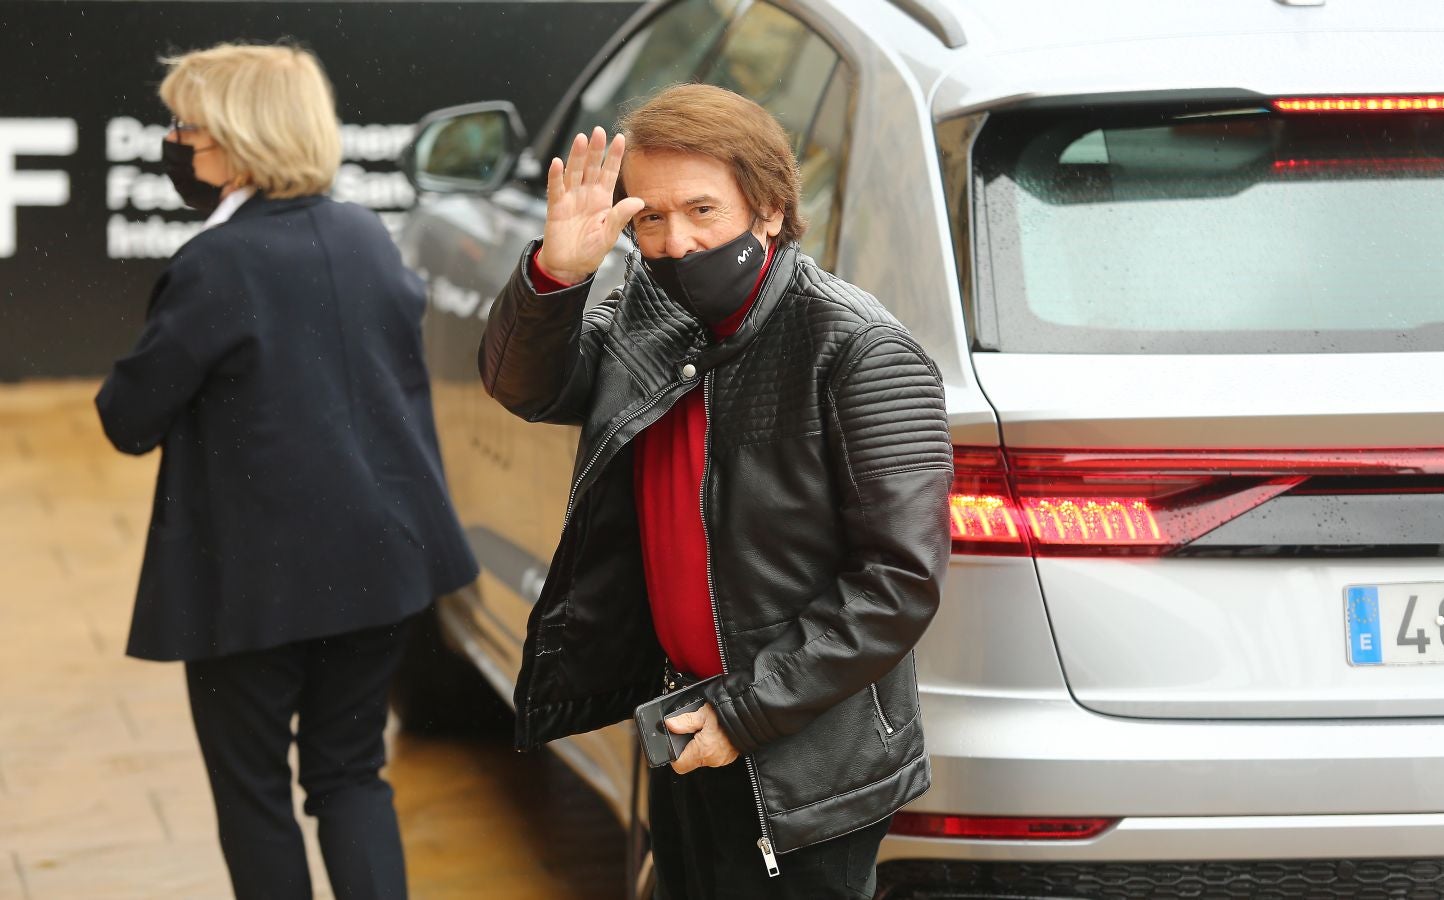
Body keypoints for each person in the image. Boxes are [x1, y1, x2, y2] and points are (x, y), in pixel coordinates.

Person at [480, 84, 952, 899]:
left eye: (703, 210)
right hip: (686, 722)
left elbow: (897, 583)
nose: (676, 242)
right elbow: (526, 386)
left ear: (768, 211)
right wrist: (557, 273)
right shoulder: (647, 314)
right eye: (650, 219)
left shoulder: (856, 347)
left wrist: (747, 713)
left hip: (799, 757)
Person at [95, 43, 477, 900]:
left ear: (235, 141)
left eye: (185, 129)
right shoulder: (365, 237)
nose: (174, 145)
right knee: (350, 774)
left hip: (253, 587)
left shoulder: (214, 264)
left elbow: (128, 418)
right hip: (381, 566)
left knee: (254, 791)